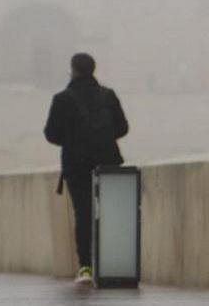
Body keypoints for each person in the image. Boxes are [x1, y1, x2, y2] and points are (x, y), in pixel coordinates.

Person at [43, 52, 129, 284]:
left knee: (83, 215)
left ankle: (85, 268)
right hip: (108, 162)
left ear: (73, 70)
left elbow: (51, 134)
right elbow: (122, 128)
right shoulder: (108, 95)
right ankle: (114, 265)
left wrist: (73, 139)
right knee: (111, 215)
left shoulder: (62, 99)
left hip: (76, 165)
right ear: (93, 70)